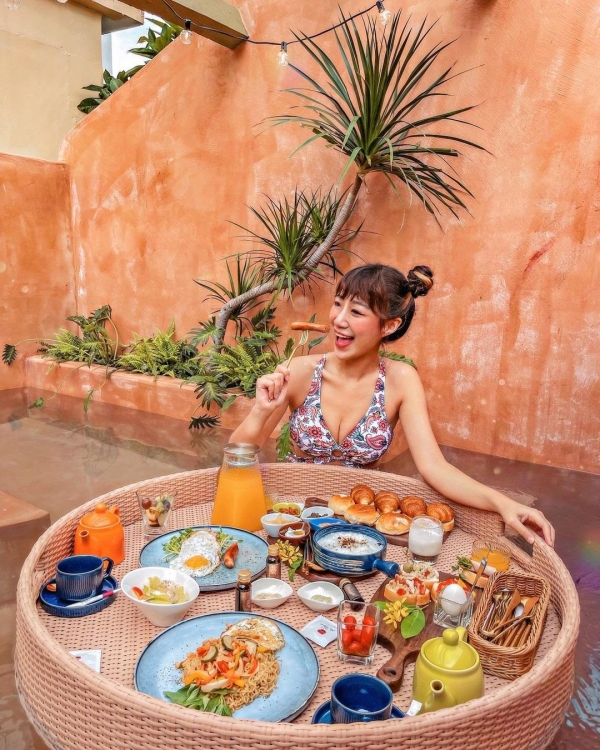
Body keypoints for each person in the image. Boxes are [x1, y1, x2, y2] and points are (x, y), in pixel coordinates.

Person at [230, 263, 555, 546]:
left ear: (389, 325)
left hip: (361, 525)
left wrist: (503, 503)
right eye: (338, 304)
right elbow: (236, 456)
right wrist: (261, 410)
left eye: (356, 312)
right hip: (293, 515)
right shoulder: (300, 371)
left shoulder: (401, 380)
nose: (339, 319)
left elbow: (434, 467)